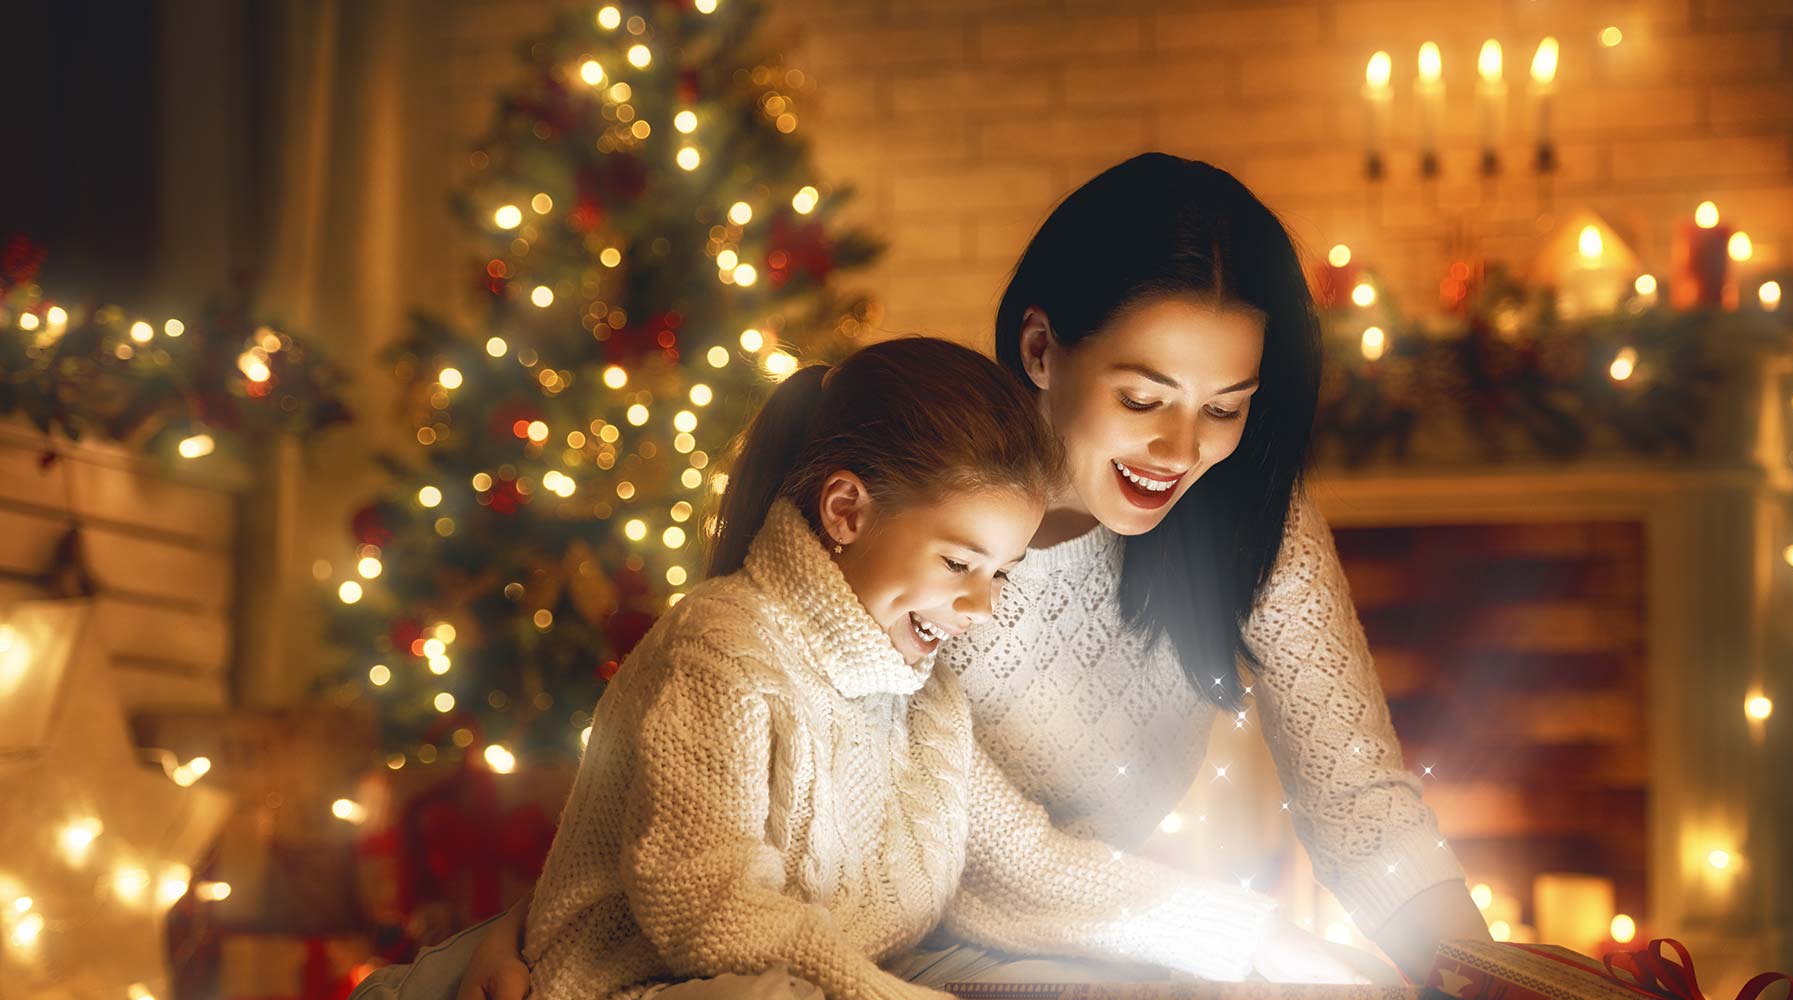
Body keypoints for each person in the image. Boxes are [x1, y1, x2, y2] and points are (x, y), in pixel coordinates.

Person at [451, 152, 1487, 999]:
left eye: (1224, 408)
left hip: (1050, 918)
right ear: (1040, 346)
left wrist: (1478, 975)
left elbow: (1356, 800)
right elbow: (696, 788)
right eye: (1143, 398)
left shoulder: (1247, 522)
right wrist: (541, 922)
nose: (1181, 448)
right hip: (890, 950)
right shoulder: (908, 536)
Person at [356, 337, 1359, 1000]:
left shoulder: (924, 699)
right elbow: (705, 908)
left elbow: (1038, 868)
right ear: (846, 514)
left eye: (1002, 571)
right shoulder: (726, 646)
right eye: (960, 564)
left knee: (1116, 978)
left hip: (842, 978)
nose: (982, 607)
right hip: (649, 982)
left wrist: (1258, 941)